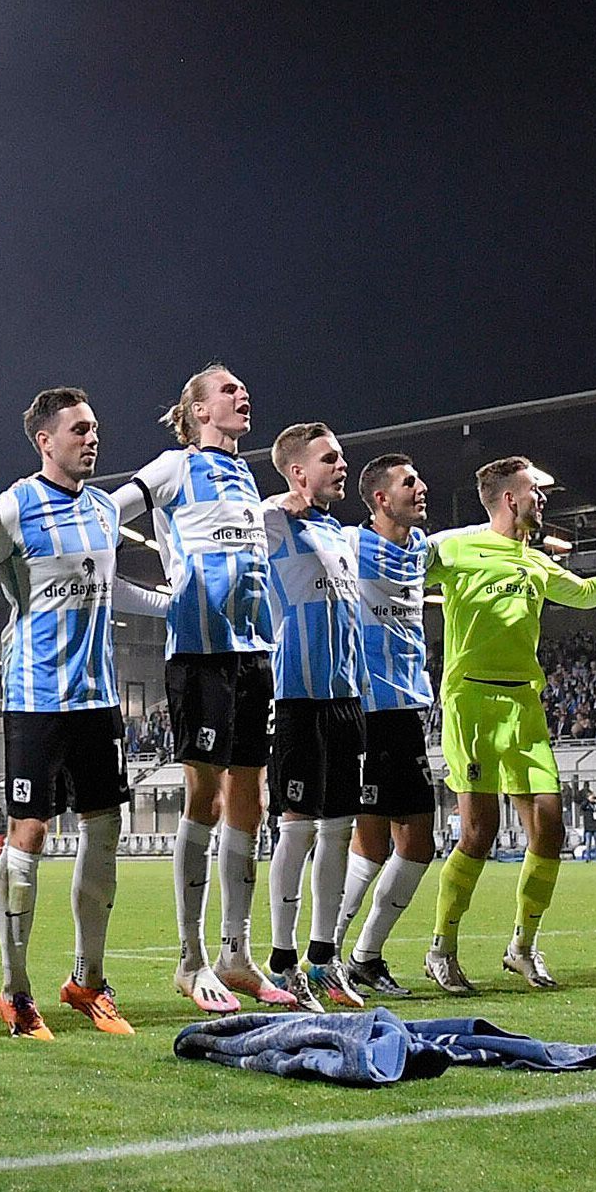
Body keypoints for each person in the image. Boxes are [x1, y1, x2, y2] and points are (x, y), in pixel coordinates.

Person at [0, 388, 164, 1039]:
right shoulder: (12, 507)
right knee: (29, 839)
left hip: (97, 702)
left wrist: (172, 605)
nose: (91, 438)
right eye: (79, 429)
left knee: (103, 834)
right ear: (44, 440)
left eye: (95, 427)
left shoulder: (106, 510)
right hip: (33, 700)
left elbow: (114, 591)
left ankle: (86, 980)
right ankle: (16, 992)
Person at [422, 457, 596, 993]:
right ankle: (442, 948)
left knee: (550, 825)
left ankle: (522, 946)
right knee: (479, 832)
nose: (543, 500)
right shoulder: (453, 546)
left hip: (525, 705)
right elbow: (398, 568)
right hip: (472, 701)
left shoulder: (535, 561)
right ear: (509, 499)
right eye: (535, 492)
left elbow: (587, 594)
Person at [107, 365, 286, 1010]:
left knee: (252, 801)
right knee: (204, 799)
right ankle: (191, 959)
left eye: (244, 387)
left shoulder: (245, 476)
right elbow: (107, 511)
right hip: (200, 656)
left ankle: (238, 954)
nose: (243, 395)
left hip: (252, 656)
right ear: (199, 410)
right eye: (229, 390)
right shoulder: (173, 467)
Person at [255, 423, 372, 1011]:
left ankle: (324, 960)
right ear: (298, 470)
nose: (341, 466)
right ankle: (282, 962)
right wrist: (279, 498)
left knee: (339, 829)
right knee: (297, 827)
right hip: (296, 697)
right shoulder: (273, 523)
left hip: (347, 698)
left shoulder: (342, 534)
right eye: (330, 459)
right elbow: (239, 521)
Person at [331, 453, 440, 998]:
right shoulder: (350, 544)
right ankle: (329, 955)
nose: (421, 488)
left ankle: (364, 955)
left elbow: (474, 537)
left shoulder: (423, 549)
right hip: (364, 709)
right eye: (409, 482)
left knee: (418, 840)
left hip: (408, 709)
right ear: (380, 498)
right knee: (370, 840)